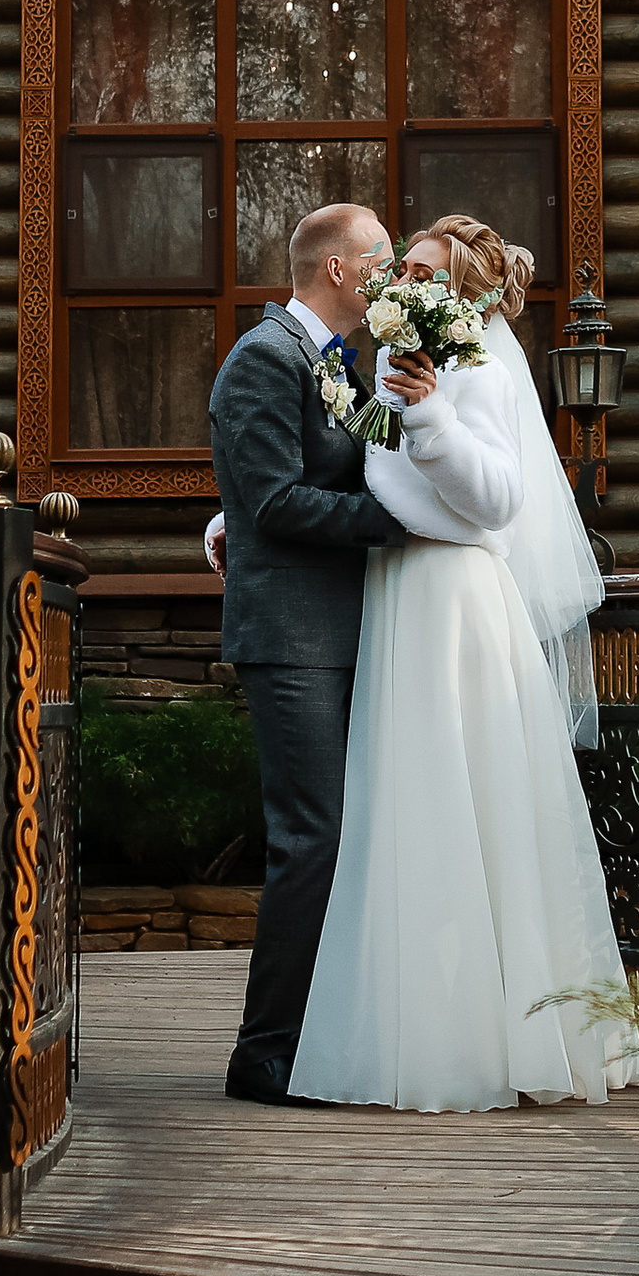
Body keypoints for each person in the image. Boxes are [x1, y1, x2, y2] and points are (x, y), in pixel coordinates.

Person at [287, 215, 639, 1115]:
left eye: (423, 272)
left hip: (455, 603)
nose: (402, 281)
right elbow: (368, 473)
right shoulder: (398, 364)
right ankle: (426, 1034)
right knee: (411, 814)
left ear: (464, 294)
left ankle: (513, 1040)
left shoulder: (476, 367)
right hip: (399, 595)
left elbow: (498, 500)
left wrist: (433, 415)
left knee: (479, 812)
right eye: (402, 268)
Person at [205, 201, 406, 1105]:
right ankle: (265, 1056)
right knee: (309, 837)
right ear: (338, 270)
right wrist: (400, 522)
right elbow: (274, 501)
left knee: (340, 835)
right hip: (292, 639)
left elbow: (365, 459)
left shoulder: (333, 363)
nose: (391, 276)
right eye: (382, 261)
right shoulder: (265, 357)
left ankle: (324, 1041)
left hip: (338, 630)